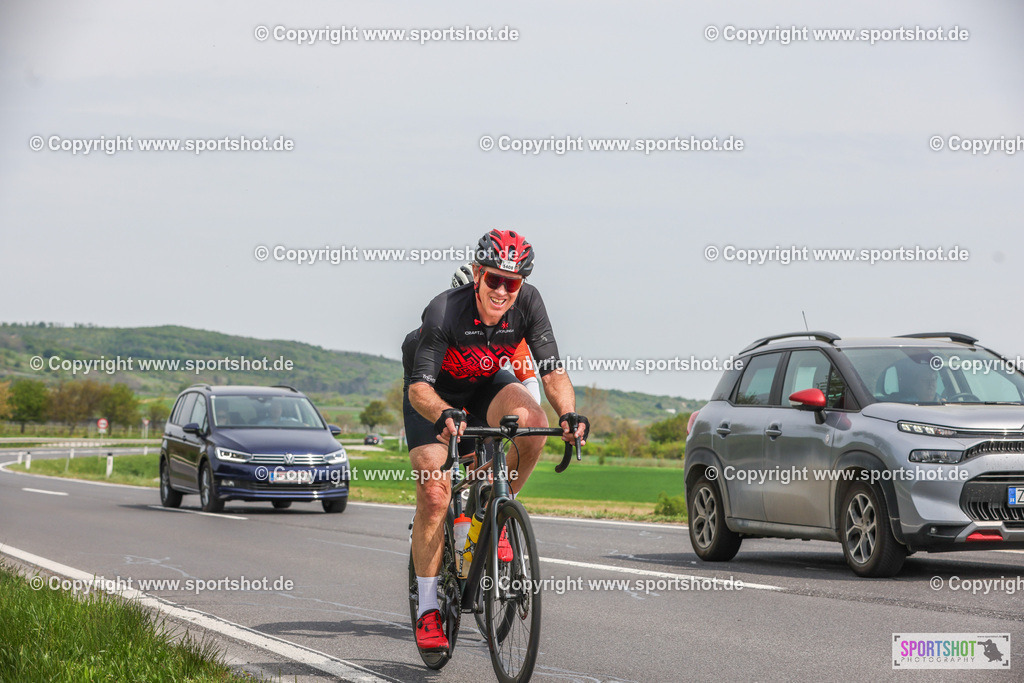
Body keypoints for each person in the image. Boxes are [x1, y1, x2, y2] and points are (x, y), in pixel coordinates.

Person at [403, 229, 589, 655]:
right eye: (494, 280)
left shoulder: (529, 304)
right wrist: (444, 413)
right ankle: (429, 610)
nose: (503, 290)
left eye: (512, 282)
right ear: (477, 274)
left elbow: (553, 372)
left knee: (534, 421)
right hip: (433, 395)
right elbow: (419, 390)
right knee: (435, 493)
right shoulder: (444, 311)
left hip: (484, 383)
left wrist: (569, 415)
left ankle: (497, 509)